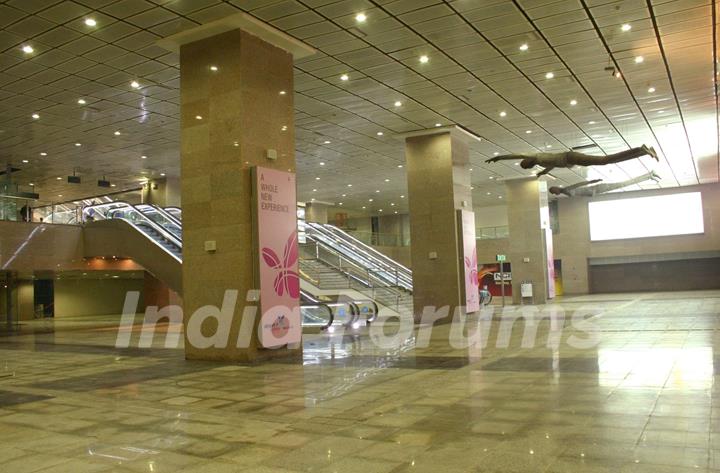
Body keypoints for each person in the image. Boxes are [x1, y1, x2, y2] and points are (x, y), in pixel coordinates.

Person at [486, 145, 658, 176]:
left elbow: (516, 154)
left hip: (571, 157)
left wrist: (499, 157)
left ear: (528, 163)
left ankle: (641, 150)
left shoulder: (536, 157)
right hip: (571, 158)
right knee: (605, 161)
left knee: (605, 160)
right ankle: (641, 151)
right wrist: (542, 173)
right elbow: (552, 166)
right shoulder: (541, 162)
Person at [549, 171, 661, 197]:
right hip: (597, 191)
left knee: (623, 184)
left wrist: (595, 181)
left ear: (556, 189)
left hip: (598, 188)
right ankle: (648, 176)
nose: (555, 194)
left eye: (554, 192)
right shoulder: (567, 193)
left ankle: (649, 175)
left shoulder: (567, 189)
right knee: (623, 184)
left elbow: (582, 183)